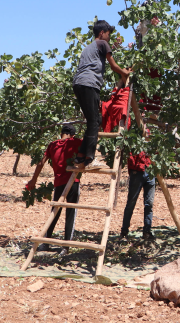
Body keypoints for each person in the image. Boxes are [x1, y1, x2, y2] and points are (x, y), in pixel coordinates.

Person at [70, 20, 132, 171]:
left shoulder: (88, 47)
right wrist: (125, 72)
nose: (109, 38)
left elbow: (102, 58)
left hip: (79, 84)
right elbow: (113, 65)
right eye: (108, 34)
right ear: (101, 33)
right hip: (89, 84)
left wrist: (114, 48)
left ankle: (80, 156)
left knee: (95, 120)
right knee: (93, 121)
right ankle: (90, 159)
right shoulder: (103, 44)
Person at [26, 124, 83, 253]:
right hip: (73, 181)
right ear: (73, 135)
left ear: (61, 133)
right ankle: (66, 246)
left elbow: (41, 163)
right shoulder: (77, 142)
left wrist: (33, 180)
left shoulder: (53, 145)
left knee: (54, 212)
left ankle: (46, 243)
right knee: (71, 213)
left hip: (58, 183)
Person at [120, 151, 156, 241]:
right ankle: (124, 231)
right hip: (137, 171)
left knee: (149, 203)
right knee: (131, 202)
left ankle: (147, 231)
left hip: (150, 171)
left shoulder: (152, 137)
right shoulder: (135, 138)